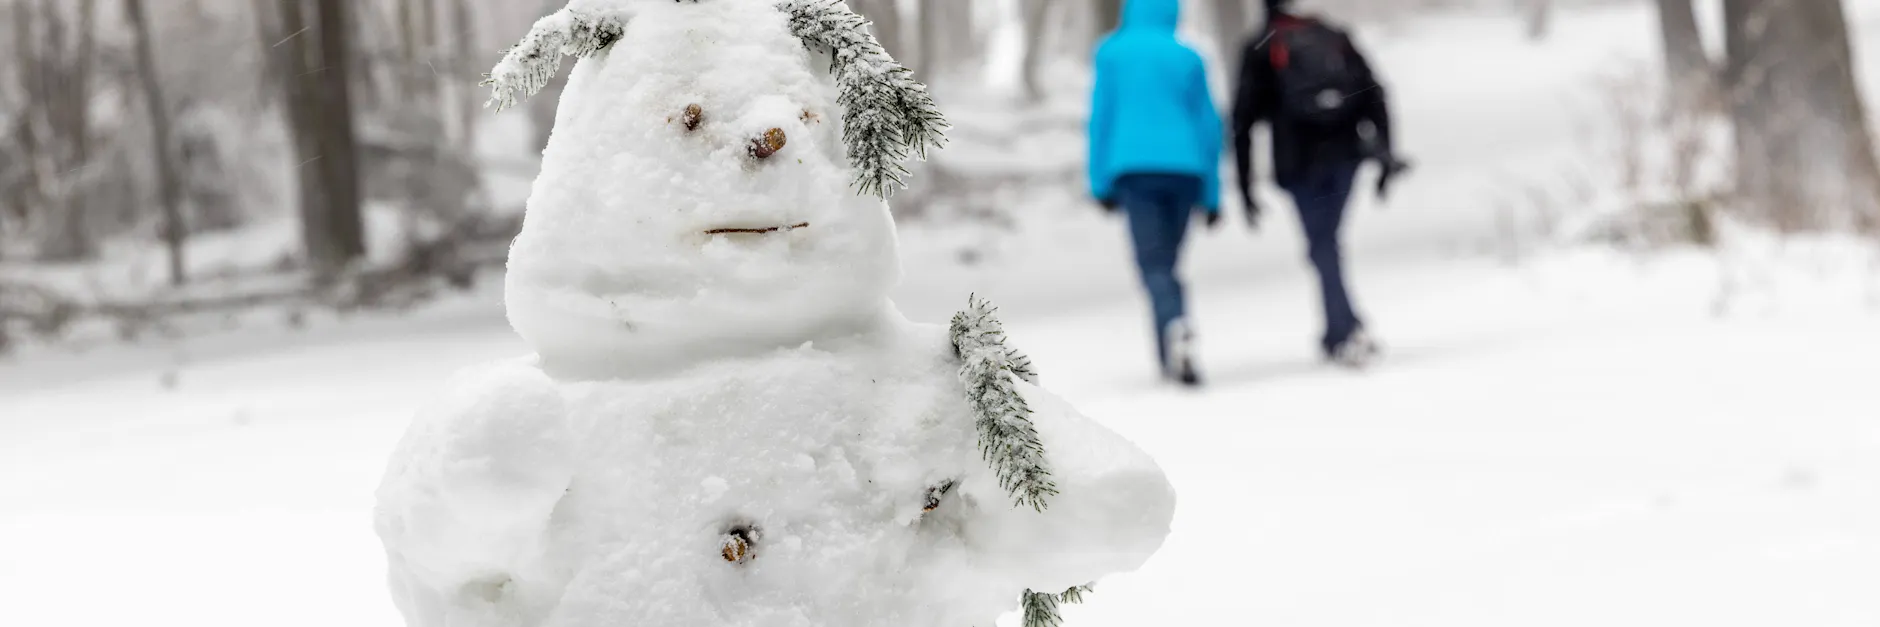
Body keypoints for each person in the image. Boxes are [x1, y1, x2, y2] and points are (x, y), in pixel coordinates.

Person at [1230, 0, 1408, 367]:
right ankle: (1342, 326)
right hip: (1345, 154)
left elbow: (1242, 120)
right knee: (1326, 243)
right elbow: (1373, 93)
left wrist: (1245, 186)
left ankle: (1344, 331)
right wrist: (1386, 152)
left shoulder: (1262, 44)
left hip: (1298, 162)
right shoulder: (1332, 35)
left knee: (1322, 244)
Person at [1088, 0, 1224, 386]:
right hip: (1186, 170)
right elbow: (1209, 127)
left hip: (1134, 170)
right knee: (1168, 264)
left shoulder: (1110, 52)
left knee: (1154, 265)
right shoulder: (1188, 56)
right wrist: (1214, 193)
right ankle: (1174, 342)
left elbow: (1101, 118)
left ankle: (1174, 329)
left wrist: (1099, 182)